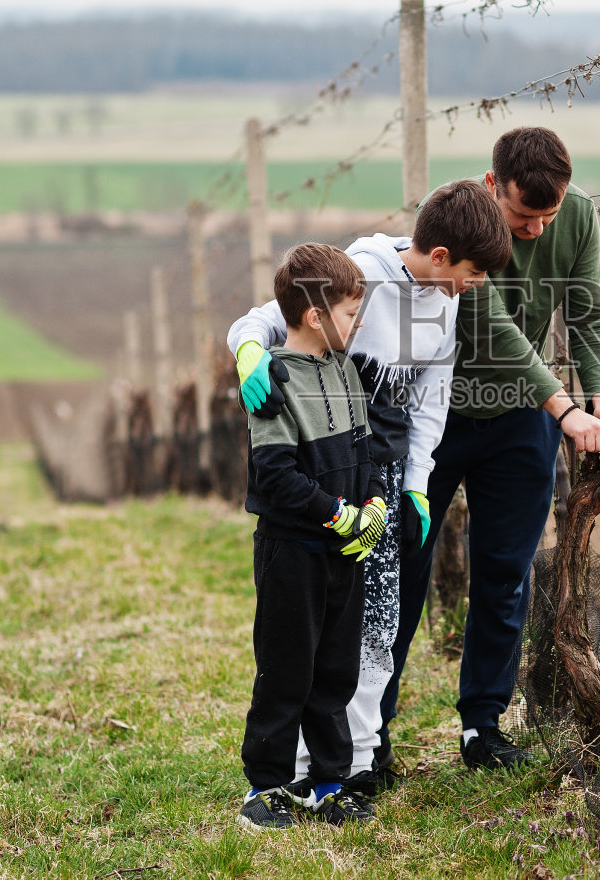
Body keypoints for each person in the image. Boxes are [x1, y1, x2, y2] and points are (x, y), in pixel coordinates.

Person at [228, 180, 513, 796]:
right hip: (327, 473)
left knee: (375, 625)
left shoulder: (448, 298)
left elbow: (431, 397)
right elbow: (260, 320)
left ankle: (356, 761)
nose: (477, 284)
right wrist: (250, 352)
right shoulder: (359, 273)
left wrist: (417, 483)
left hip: (383, 483)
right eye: (473, 271)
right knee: (314, 627)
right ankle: (295, 769)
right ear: (440, 256)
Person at [385, 125, 600, 771]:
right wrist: (565, 406)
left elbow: (588, 311)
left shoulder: (574, 217)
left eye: (549, 216)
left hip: (521, 421)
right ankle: (369, 732)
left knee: (504, 578)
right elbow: (489, 324)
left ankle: (482, 728)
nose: (538, 232)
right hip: (435, 417)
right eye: (525, 215)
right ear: (495, 187)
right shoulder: (464, 219)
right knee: (402, 573)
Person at [236, 242, 387, 830]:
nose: (359, 323)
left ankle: (329, 783)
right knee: (286, 669)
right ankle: (265, 786)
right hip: (292, 550)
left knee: (335, 671)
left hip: (343, 549)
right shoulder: (274, 379)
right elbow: (274, 475)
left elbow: (367, 451)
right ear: (316, 315)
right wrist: (335, 513)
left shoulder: (347, 371)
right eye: (351, 313)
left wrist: (372, 508)